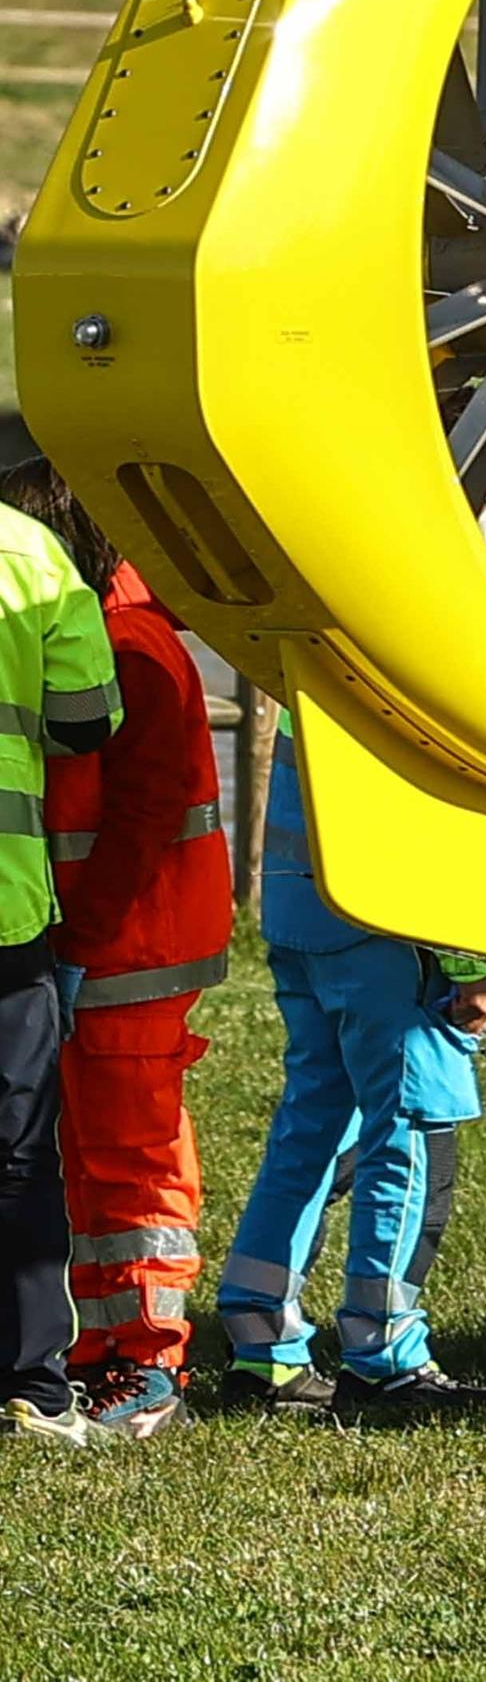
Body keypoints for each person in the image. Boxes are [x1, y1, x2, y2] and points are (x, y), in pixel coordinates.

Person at [0, 446, 224, 1442]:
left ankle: (152, 1359)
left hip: (130, 946)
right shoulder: (116, 629)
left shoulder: (132, 646)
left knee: (131, 1159)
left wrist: (84, 944)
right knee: (82, 1154)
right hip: (100, 939)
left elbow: (136, 820)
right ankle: (100, 1345)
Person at [206, 718, 486, 1421]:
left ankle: (263, 1350)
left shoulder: (326, 624)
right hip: (384, 928)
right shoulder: (420, 635)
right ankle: (386, 1363)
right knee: (409, 1135)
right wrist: (465, 964)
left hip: (300, 908)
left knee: (313, 1129)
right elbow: (430, 807)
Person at [0, 435, 121, 1452]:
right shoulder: (29, 555)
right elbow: (87, 721)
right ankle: (34, 1388)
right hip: (3, 910)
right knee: (19, 1151)